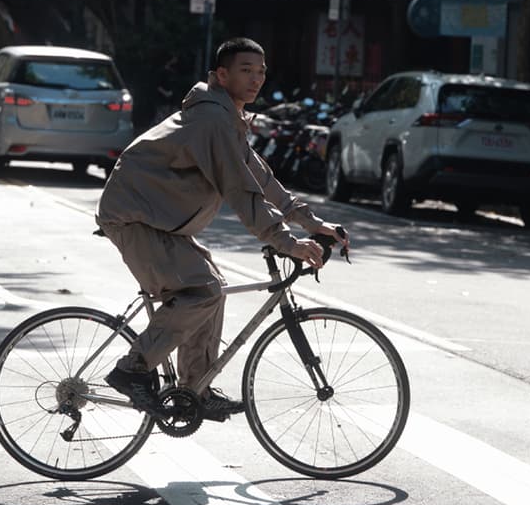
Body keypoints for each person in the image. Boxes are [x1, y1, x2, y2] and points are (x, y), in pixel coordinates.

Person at [96, 36, 349, 422]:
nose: (256, 79)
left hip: (159, 219)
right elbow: (241, 192)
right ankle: (132, 368)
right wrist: (286, 243)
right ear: (220, 76)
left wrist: (314, 223)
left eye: (261, 71)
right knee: (203, 291)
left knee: (213, 285)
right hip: (134, 217)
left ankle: (193, 389)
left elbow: (262, 180)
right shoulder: (213, 120)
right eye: (245, 70)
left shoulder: (226, 119)